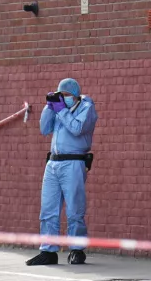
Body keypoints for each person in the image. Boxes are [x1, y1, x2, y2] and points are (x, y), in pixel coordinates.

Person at [26, 78, 98, 266]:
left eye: (66, 95)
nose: (63, 98)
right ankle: (48, 251)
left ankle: (77, 250)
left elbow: (77, 129)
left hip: (74, 162)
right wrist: (49, 107)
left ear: (75, 96)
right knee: (48, 209)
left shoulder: (86, 108)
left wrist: (61, 110)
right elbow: (44, 129)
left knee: (75, 209)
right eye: (60, 95)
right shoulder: (58, 109)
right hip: (53, 163)